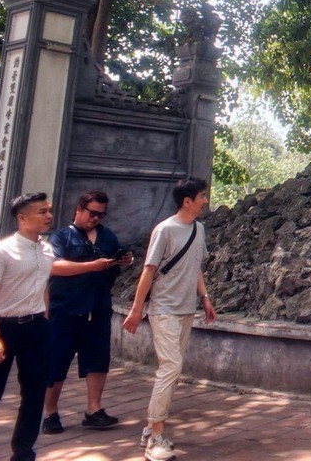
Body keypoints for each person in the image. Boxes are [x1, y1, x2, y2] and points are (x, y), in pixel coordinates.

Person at [123, 178, 215, 461]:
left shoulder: (198, 229)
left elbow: (195, 265)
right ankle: (156, 437)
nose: (206, 200)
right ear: (187, 201)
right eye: (202, 196)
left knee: (172, 371)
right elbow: (149, 272)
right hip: (163, 309)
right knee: (171, 367)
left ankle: (150, 428)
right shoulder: (164, 229)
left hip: (186, 308)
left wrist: (205, 298)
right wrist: (137, 310)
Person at [41, 190, 133, 434]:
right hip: (66, 308)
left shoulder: (107, 236)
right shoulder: (61, 237)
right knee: (57, 360)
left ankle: (94, 409)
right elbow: (54, 266)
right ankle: (50, 413)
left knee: (97, 360)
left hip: (98, 306)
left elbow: (116, 258)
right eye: (92, 213)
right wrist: (92, 266)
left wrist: (123, 260)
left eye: (101, 215)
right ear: (79, 210)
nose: (96, 218)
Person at [0, 192, 55, 461]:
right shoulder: (1, 252)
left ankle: (23, 452)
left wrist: (44, 316)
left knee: (34, 392)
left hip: (35, 329)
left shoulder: (46, 248)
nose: (49, 216)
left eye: (48, 210)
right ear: (22, 218)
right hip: (3, 329)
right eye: (41, 212)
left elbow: (42, 284)